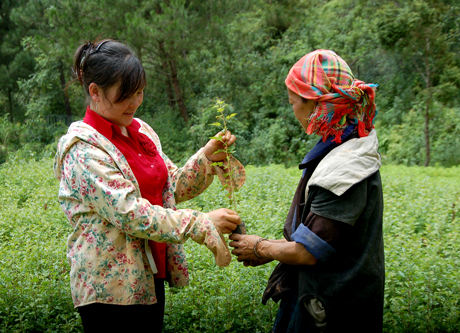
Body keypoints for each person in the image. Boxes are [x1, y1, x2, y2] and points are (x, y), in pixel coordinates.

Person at [53, 39, 245, 332]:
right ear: (95, 92)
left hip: (148, 276)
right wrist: (200, 222)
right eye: (126, 95)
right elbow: (130, 213)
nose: (136, 102)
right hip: (109, 289)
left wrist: (207, 155)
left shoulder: (139, 131)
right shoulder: (82, 149)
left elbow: (170, 188)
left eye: (140, 92)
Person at [230, 49, 384, 332]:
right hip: (316, 296)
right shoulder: (344, 144)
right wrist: (264, 249)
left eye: (293, 102)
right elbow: (315, 236)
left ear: (316, 105)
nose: (292, 110)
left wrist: (259, 247)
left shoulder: (347, 168)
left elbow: (307, 252)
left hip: (332, 310)